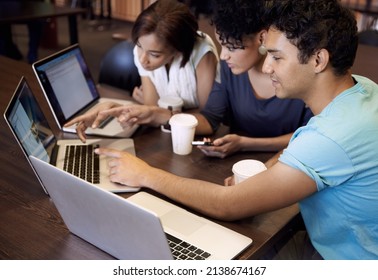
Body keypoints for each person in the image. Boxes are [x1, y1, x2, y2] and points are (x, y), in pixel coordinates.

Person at [93, 0, 378, 259]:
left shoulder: (329, 138)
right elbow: (303, 143)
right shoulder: (362, 89)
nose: (266, 66)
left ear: (318, 60)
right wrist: (266, 171)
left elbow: (228, 205)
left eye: (277, 57)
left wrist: (144, 174)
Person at [66, 0, 312, 158]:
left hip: (290, 162)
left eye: (232, 47)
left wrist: (247, 143)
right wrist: (148, 113)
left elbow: (311, 136)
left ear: (261, 39)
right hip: (237, 160)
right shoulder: (230, 69)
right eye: (221, 45)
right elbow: (208, 119)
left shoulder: (296, 73)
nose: (223, 55)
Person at [131, 0, 218, 109]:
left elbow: (208, 115)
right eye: (139, 46)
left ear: (178, 49)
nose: (142, 60)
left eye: (154, 55)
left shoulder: (202, 52)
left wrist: (158, 112)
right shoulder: (144, 50)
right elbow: (152, 108)